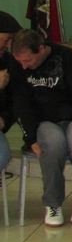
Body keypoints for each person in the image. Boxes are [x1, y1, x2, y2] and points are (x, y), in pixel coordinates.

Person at [9, 28, 72, 226]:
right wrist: (30, 138)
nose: (24, 66)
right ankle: (53, 204)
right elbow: (21, 104)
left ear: (41, 49)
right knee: (52, 147)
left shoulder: (67, 56)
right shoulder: (18, 67)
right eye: (20, 62)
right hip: (45, 121)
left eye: (28, 60)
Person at [0, 11, 22, 173]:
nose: (8, 46)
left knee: (2, 154)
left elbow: (17, 102)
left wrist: (5, 119)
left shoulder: (11, 63)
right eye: (6, 39)